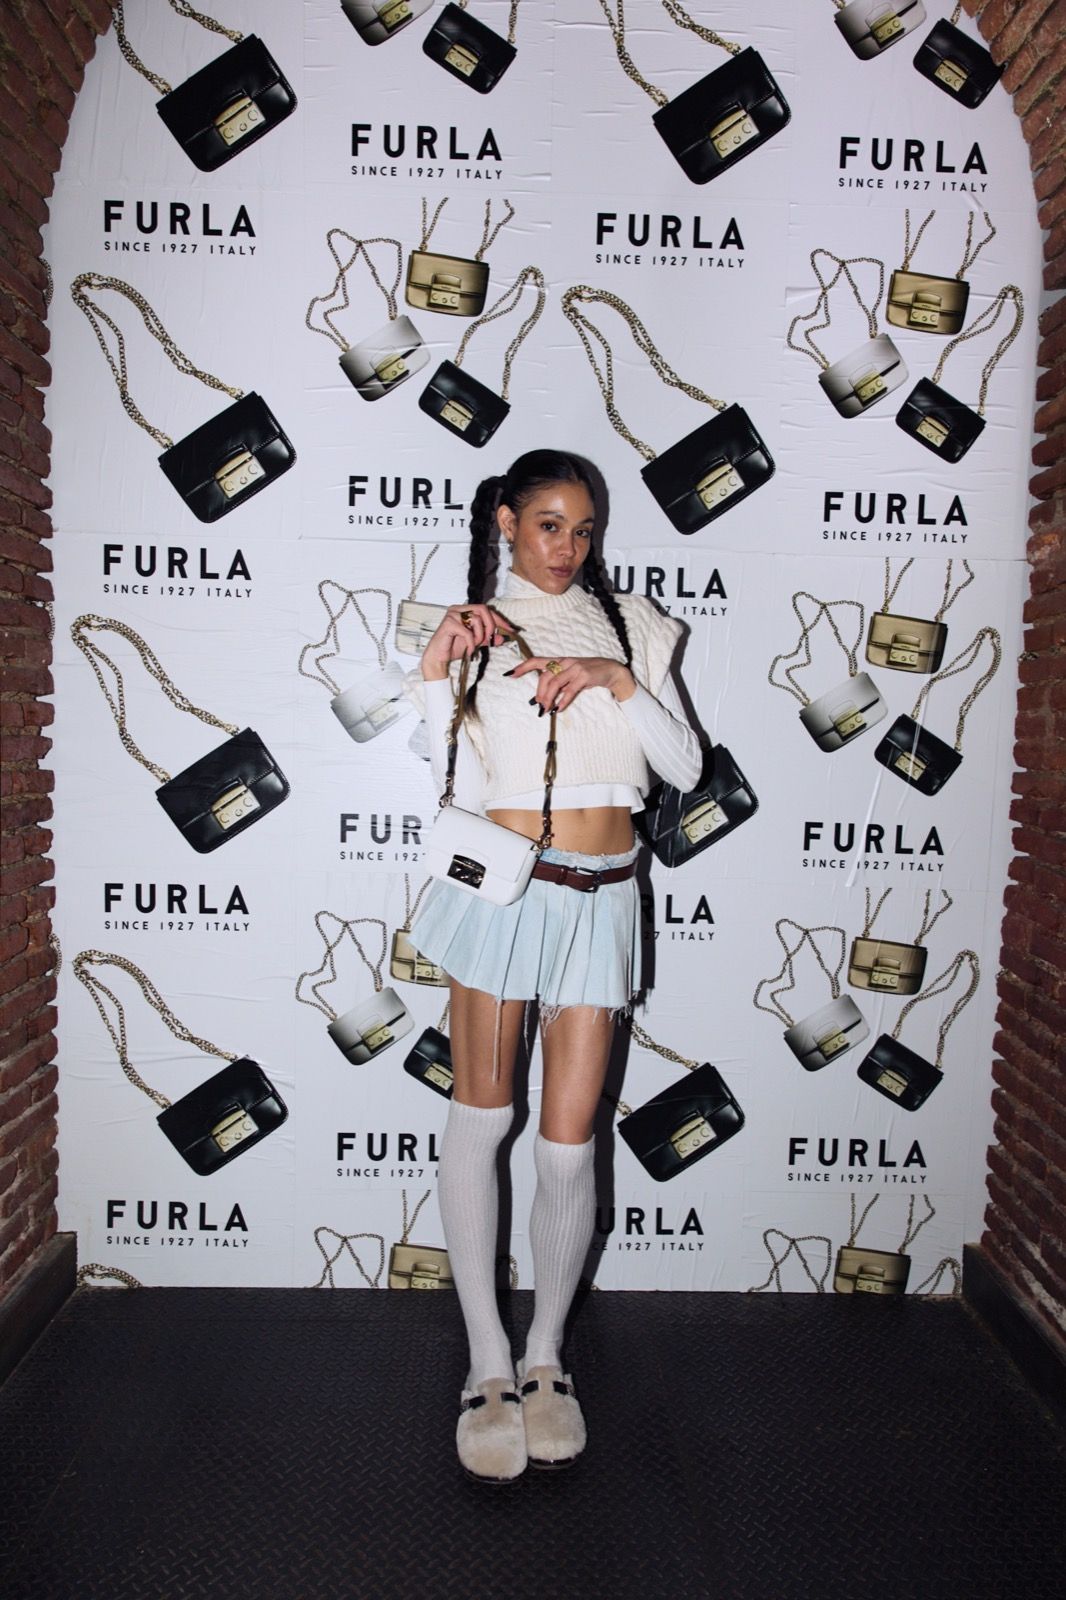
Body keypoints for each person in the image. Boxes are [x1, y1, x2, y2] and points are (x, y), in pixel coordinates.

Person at [408, 449, 701, 1483]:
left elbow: (684, 766)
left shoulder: (637, 626)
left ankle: (544, 1358)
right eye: (547, 525)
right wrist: (438, 668)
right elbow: (444, 771)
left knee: (570, 1150)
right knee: (482, 1118)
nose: (567, 547)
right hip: (503, 897)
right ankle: (487, 1361)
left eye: (582, 529)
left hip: (605, 897)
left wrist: (620, 681)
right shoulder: (471, 627)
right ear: (504, 521)